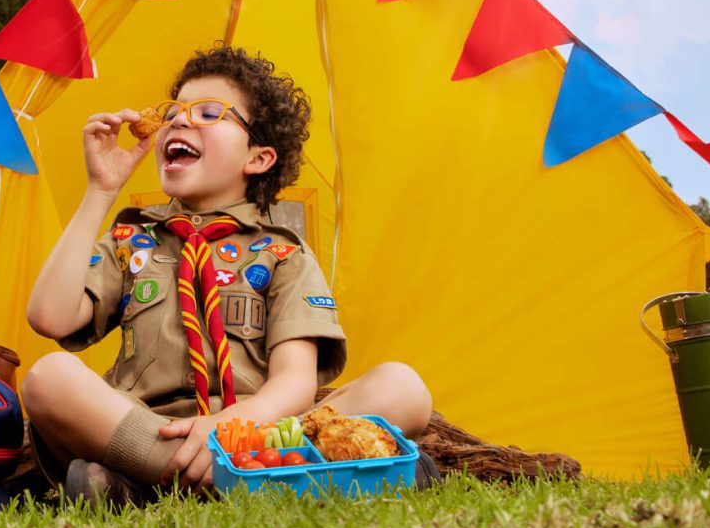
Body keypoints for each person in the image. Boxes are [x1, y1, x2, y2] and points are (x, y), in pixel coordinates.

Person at [22, 45, 433, 502]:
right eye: (174, 111)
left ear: (257, 158)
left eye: (210, 113)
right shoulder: (132, 240)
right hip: (147, 428)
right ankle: (267, 483)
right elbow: (50, 318)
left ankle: (153, 485)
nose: (179, 121)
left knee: (402, 388)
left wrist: (231, 428)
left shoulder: (282, 254)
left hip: (260, 433)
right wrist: (101, 190)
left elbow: (295, 381)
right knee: (48, 377)